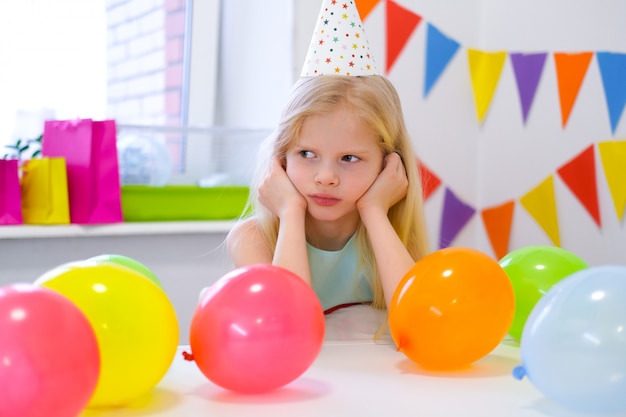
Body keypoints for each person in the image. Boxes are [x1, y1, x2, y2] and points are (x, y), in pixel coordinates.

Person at [225, 0, 430, 316]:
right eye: (306, 154)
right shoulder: (253, 240)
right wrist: (290, 211)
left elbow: (419, 320)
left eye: (349, 158)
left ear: (389, 165)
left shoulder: (396, 240)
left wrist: (374, 210)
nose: (325, 177)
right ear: (280, 159)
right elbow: (289, 322)